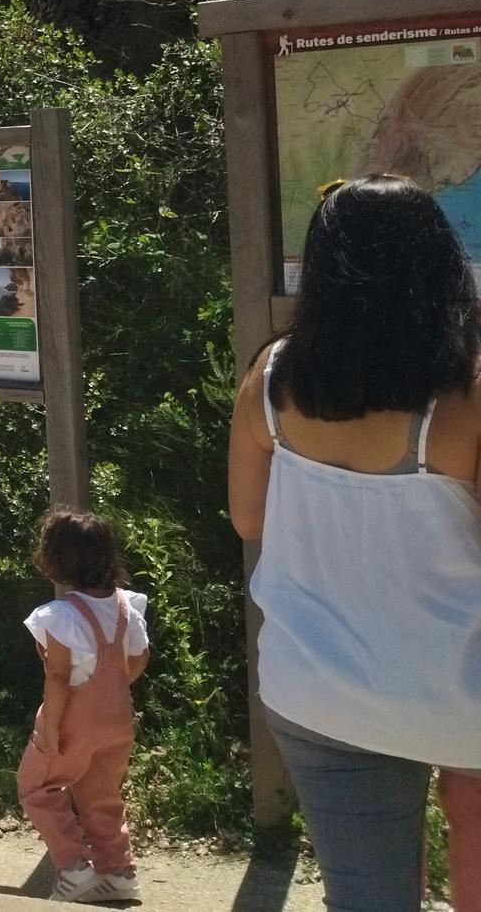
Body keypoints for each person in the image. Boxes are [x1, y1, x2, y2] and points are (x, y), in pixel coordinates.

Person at [228, 175, 481, 911]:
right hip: (461, 690)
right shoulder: (465, 398)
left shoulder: (270, 379)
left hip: (321, 690)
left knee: (368, 899)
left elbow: (249, 520)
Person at [16, 509, 149, 904]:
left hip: (73, 721)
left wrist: (52, 729)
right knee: (101, 793)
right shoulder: (127, 607)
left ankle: (74, 868)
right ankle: (118, 872)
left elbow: (57, 677)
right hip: (118, 721)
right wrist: (112, 684)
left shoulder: (61, 616)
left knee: (36, 786)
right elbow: (140, 657)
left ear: (54, 560)